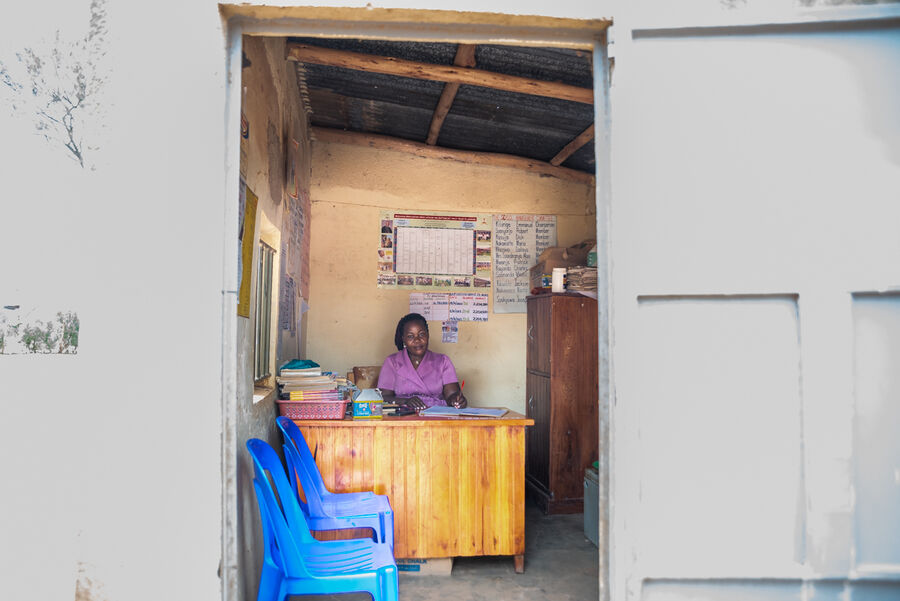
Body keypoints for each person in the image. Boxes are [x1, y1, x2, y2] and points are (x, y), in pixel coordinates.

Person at [377, 313, 467, 411]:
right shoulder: (392, 362)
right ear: (403, 339)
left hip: (436, 415)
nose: (417, 340)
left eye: (421, 334)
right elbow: (383, 397)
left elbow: (451, 395)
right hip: (403, 416)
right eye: (410, 336)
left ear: (428, 335)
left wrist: (457, 400)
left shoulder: (442, 361)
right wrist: (405, 401)